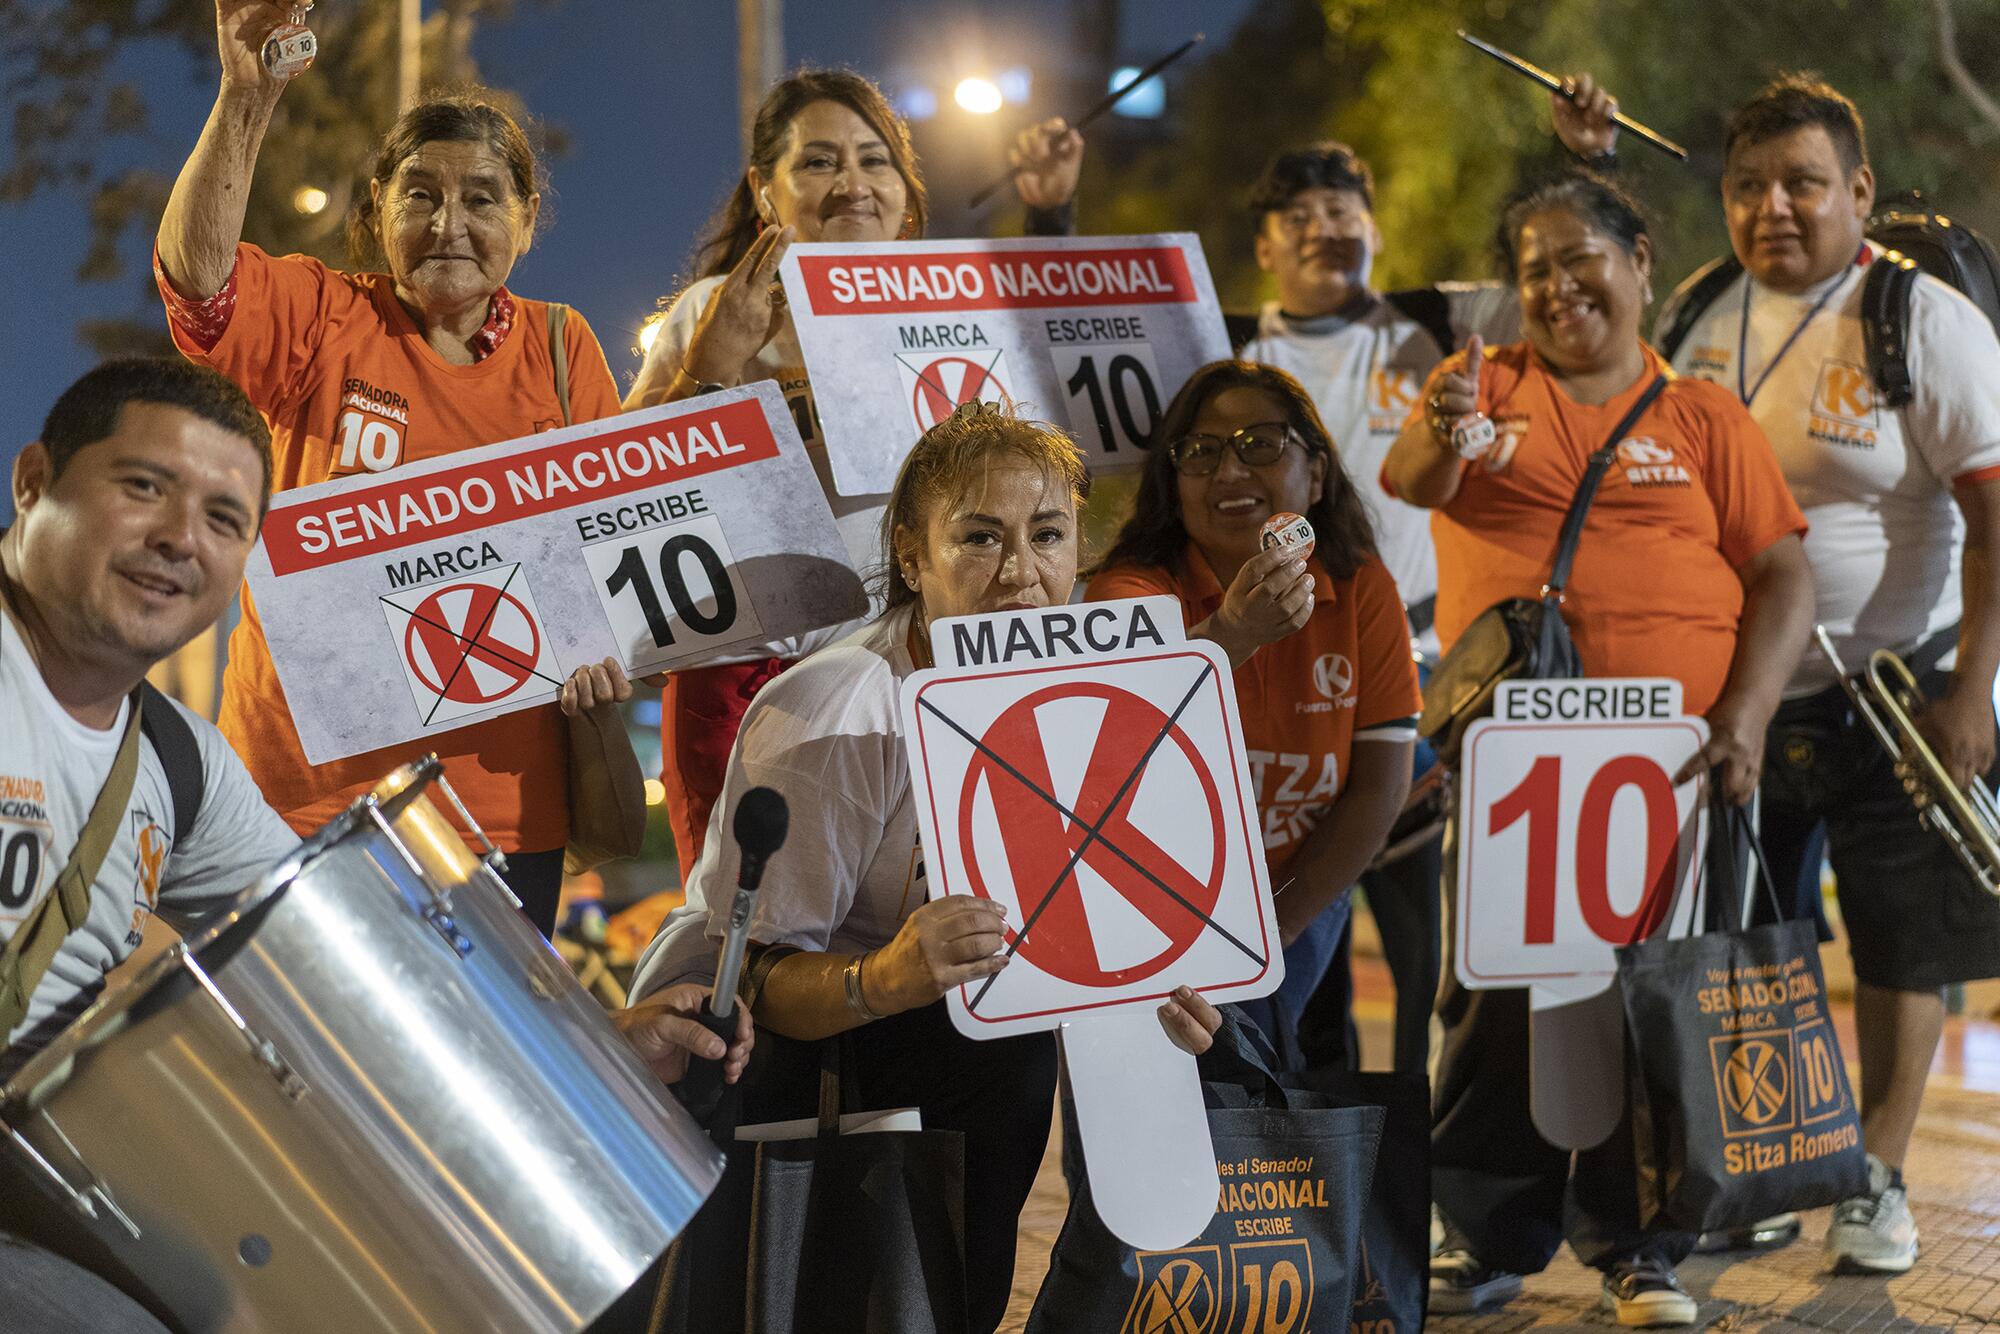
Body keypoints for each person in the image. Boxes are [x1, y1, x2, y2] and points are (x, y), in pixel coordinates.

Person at [0, 360, 754, 1333]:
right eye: (144, 486)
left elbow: (348, 962)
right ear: (34, 481)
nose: (182, 536)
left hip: (50, 1169)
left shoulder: (178, 762)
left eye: (225, 519)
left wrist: (601, 1043)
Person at [628, 404, 1220, 1333]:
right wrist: (883, 979)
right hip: (799, 1057)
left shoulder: (1095, 685)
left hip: (980, 1052)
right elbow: (757, 979)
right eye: (980, 537)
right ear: (912, 555)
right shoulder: (839, 710)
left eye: (1048, 535)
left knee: (970, 1243)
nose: (1020, 572)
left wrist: (1154, 992)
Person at [1564, 73, 2000, 1272]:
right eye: (1747, 186)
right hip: (1738, 701)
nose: (1773, 208)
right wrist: (1590, 166)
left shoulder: (1919, 320)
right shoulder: (1698, 309)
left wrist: (1971, 688)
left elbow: (1993, 514)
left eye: (1802, 183)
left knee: (1901, 945)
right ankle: (1761, 1164)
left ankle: (1876, 1177)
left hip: (1899, 699)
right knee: (1745, 941)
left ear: (1855, 189)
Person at [1383, 171, 1814, 1326]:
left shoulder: (1704, 416)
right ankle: (1484, 1235)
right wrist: (1443, 425)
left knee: (1652, 1004)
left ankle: (1640, 1246)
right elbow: (1412, 478)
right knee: (1495, 1001)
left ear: (1636, 262)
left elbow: (1781, 573)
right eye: (1533, 269)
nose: (1558, 284)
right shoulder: (1480, 387)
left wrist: (1745, 714)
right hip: (1517, 769)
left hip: (1670, 772)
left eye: (1581, 258)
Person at [152, 0, 642, 936]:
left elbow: (609, 550)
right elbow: (199, 287)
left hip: (503, 821)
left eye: (482, 199)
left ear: (528, 220)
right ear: (377, 209)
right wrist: (246, 98)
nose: (448, 223)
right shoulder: (323, 318)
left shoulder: (562, 347)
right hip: (305, 807)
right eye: (419, 195)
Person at [625, 69, 1085, 874]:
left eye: (875, 160)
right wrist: (712, 369)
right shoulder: (711, 309)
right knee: (749, 907)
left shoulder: (953, 309)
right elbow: (624, 495)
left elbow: (1047, 405)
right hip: (744, 670)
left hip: (918, 660)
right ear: (765, 192)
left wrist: (1050, 216)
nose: (852, 184)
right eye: (818, 162)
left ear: (906, 194)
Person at [1089, 360, 1421, 1067]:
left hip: (1300, 894)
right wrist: (1231, 636)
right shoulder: (1126, 590)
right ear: (1173, 482)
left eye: (1260, 444)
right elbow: (1115, 736)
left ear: (1317, 474)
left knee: (1276, 1104)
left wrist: (1276, 929)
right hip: (1152, 912)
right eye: (1200, 452)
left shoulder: (1362, 587)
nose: (1230, 471)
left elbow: (1380, 787)